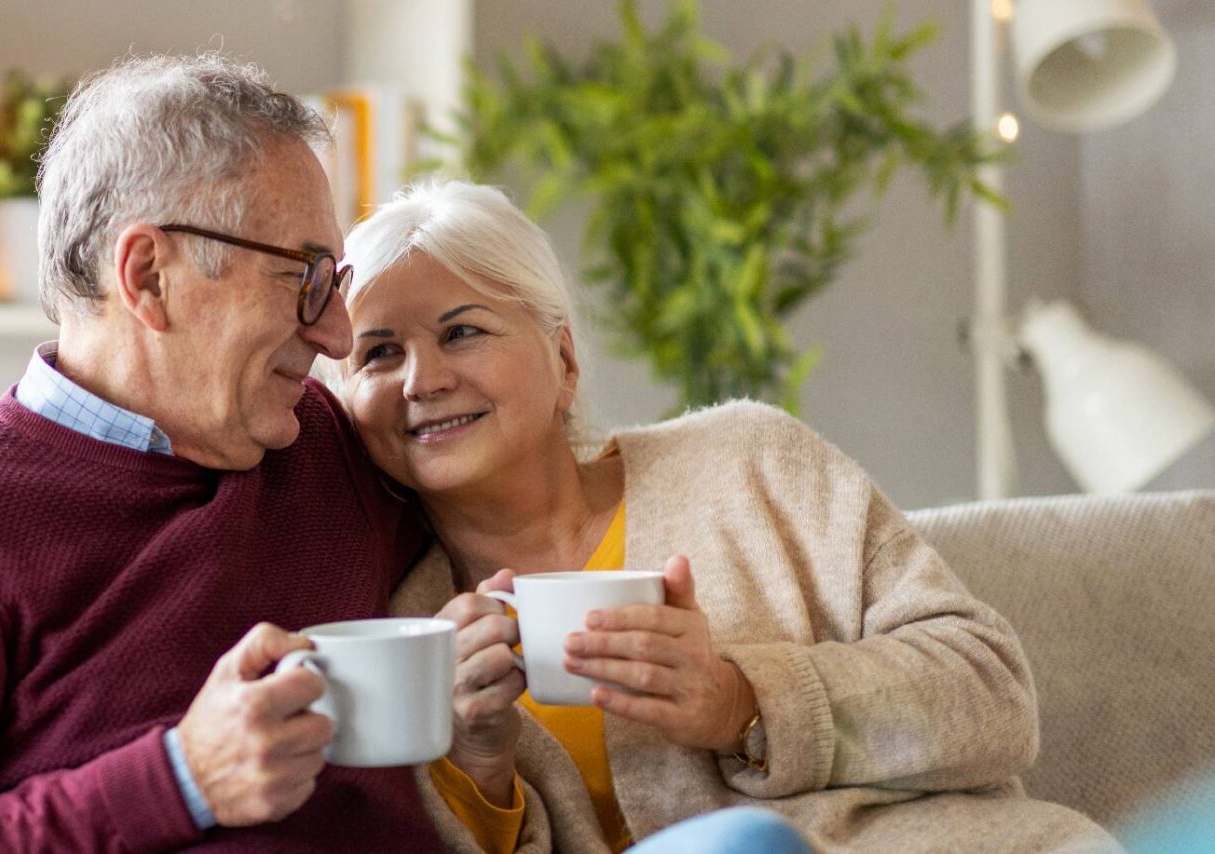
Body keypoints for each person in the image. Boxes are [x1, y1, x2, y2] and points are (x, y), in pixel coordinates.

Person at [337, 178, 1121, 852]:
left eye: (462, 331)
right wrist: (479, 762)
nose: (420, 380)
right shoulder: (401, 628)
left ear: (564, 360)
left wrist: (743, 700)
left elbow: (992, 695)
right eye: (378, 353)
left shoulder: (747, 461)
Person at [0, 53, 440, 850]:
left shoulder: (330, 444)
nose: (337, 333)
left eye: (333, 282)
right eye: (304, 278)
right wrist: (180, 780)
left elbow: (527, 500)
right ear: (149, 277)